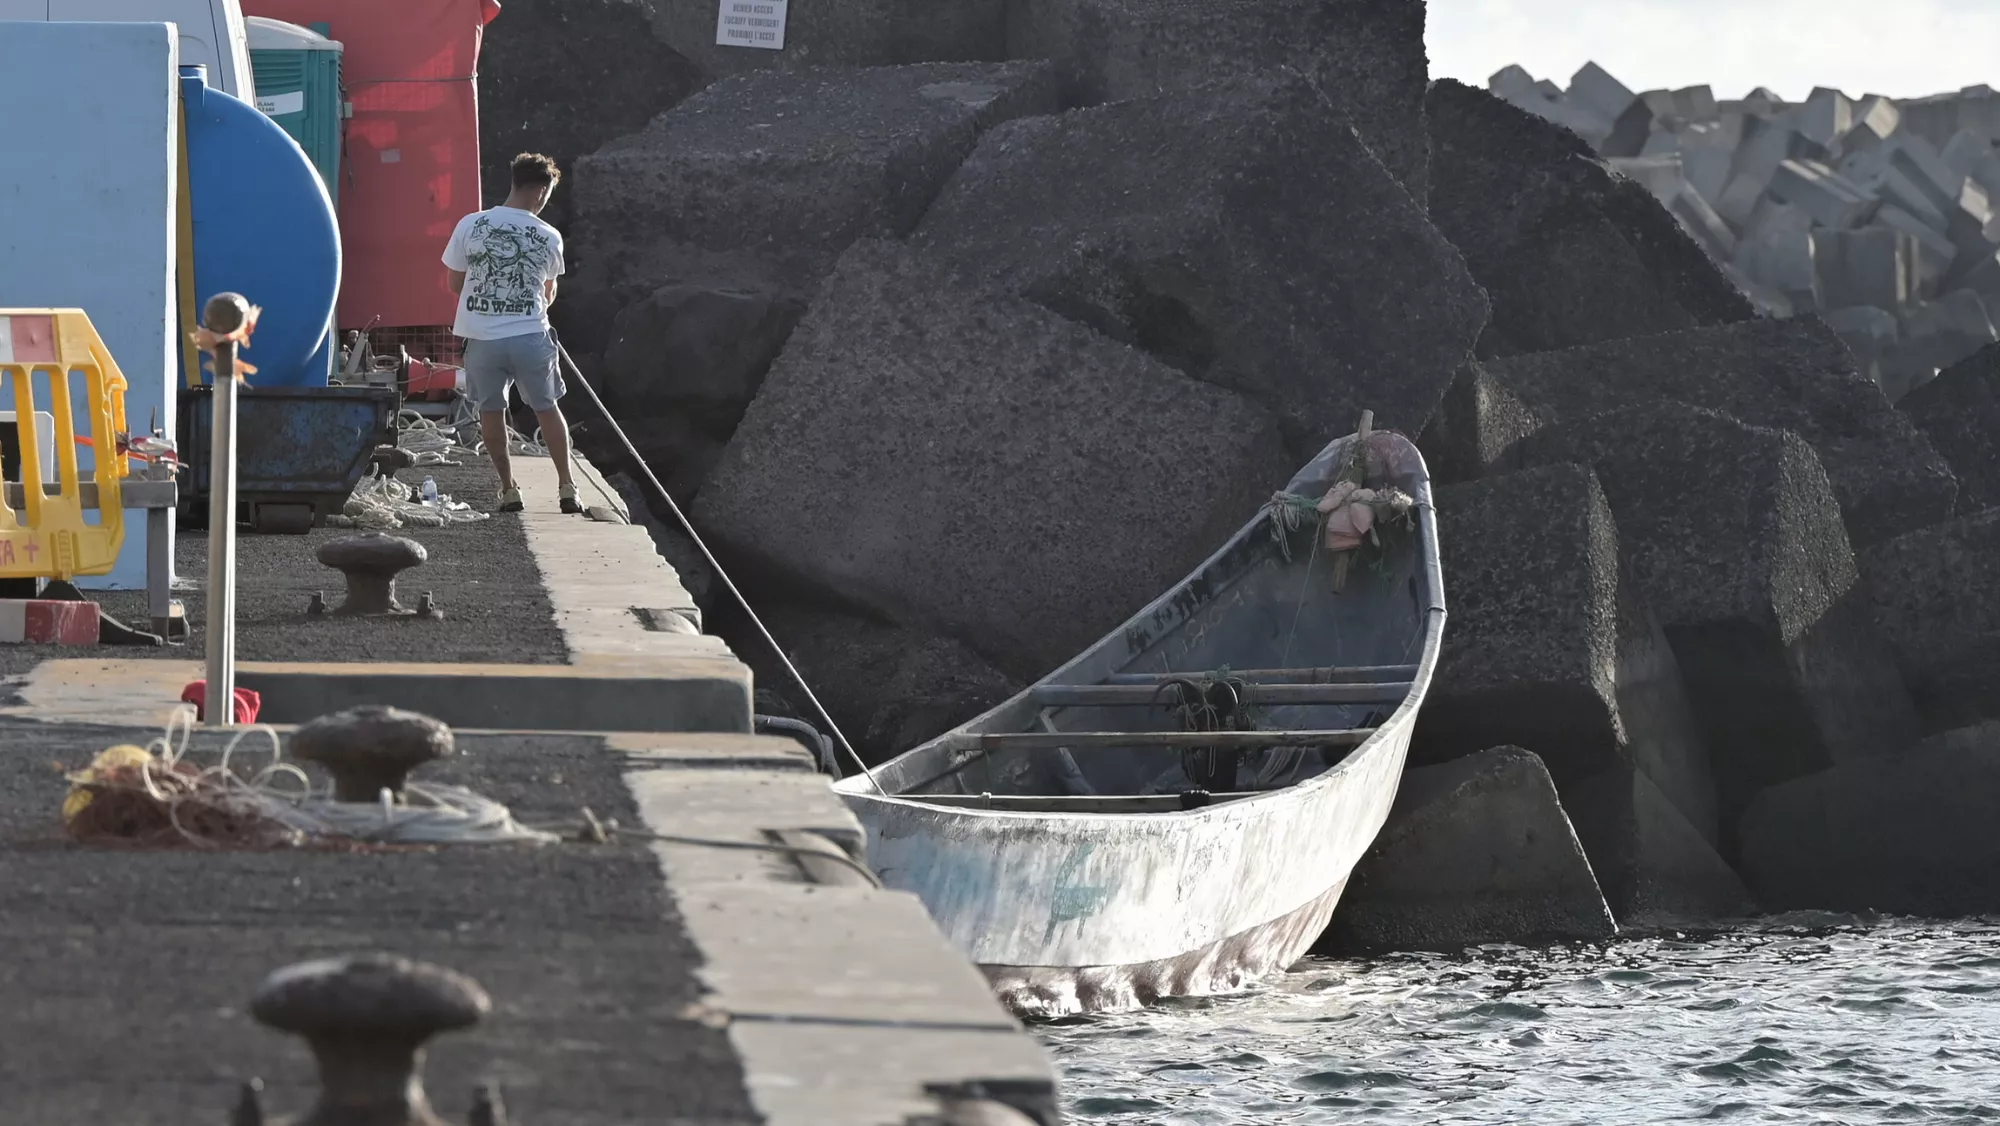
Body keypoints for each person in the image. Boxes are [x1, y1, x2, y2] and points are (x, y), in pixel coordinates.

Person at [442, 152, 581, 514]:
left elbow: (455, 283)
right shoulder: (548, 235)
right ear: (541, 192)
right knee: (546, 408)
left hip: (482, 339)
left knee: (491, 411)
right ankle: (567, 486)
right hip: (530, 337)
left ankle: (508, 489)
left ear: (513, 183)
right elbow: (548, 292)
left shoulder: (470, 225)